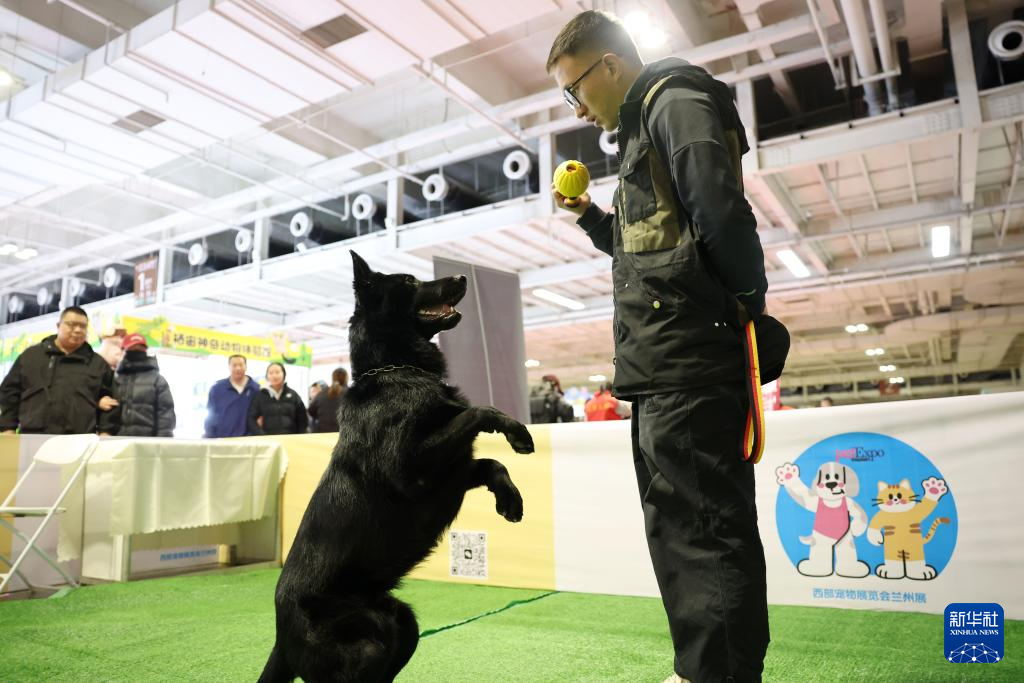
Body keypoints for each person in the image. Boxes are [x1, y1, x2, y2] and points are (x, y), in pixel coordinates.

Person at [547, 11, 786, 683]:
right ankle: (702, 667)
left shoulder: (674, 99)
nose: (576, 108)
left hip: (689, 361)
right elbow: (648, 251)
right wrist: (590, 217)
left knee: (705, 530)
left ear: (610, 65)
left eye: (574, 89)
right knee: (682, 530)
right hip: (663, 365)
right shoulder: (643, 126)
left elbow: (721, 211)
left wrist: (748, 305)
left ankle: (720, 673)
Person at [0, 306, 120, 435]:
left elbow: (111, 401)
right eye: (72, 325)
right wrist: (8, 427)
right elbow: (9, 392)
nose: (78, 330)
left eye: (83, 326)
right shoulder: (31, 357)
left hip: (80, 440)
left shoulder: (97, 364)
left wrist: (105, 432)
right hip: (32, 436)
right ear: (58, 326)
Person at [113, 333, 176, 437]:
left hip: (147, 442)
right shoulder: (115, 378)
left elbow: (165, 415)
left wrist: (162, 442)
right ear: (124, 350)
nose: (137, 351)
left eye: (141, 348)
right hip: (118, 441)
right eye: (132, 348)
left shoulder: (157, 380)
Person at [204, 354, 260, 438]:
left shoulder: (255, 388)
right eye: (234, 365)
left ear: (246, 367)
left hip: (248, 439)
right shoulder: (217, 389)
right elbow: (211, 414)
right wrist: (210, 435)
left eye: (241, 365)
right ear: (229, 367)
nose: (238, 368)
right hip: (223, 438)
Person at [248, 362, 308, 435]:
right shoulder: (261, 395)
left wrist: (299, 435)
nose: (274, 376)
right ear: (267, 376)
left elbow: (302, 418)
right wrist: (261, 434)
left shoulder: (293, 394)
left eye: (277, 372)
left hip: (290, 437)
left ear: (284, 374)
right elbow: (251, 418)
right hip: (269, 438)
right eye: (271, 373)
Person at [307, 368, 347, 434]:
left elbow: (311, 411)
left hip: (323, 434)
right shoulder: (352, 394)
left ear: (332, 378)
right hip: (344, 434)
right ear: (346, 378)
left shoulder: (322, 393)